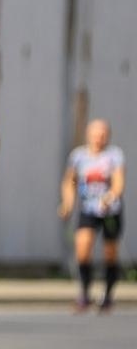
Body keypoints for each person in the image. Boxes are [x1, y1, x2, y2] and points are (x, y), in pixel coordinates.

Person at [59, 119, 124, 314]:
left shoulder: (114, 155)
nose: (99, 139)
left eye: (103, 135)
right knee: (83, 247)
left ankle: (108, 295)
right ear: (88, 135)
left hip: (110, 210)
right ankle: (85, 293)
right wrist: (68, 203)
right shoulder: (78, 156)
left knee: (110, 252)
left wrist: (110, 196)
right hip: (88, 208)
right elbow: (70, 181)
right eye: (96, 134)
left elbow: (119, 182)